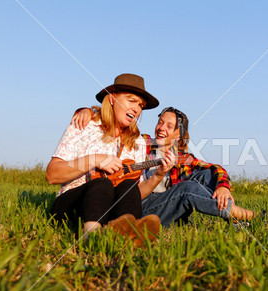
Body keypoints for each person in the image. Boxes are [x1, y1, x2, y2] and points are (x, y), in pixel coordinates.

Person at [72, 106, 255, 227]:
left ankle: (235, 215)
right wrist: (88, 110)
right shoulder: (141, 143)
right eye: (160, 122)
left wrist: (222, 186)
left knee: (206, 175)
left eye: (169, 126)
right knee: (187, 189)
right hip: (135, 205)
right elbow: (115, 121)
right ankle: (250, 216)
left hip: (163, 206)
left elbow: (215, 169)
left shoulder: (181, 159)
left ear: (178, 136)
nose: (161, 128)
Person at [46, 73, 174, 245]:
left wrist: (158, 176)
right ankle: (92, 240)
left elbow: (137, 193)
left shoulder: (138, 142)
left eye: (141, 105)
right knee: (103, 184)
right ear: (112, 98)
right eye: (131, 100)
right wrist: (93, 160)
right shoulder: (85, 124)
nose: (136, 109)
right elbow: (52, 175)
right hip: (71, 206)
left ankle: (129, 237)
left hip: (109, 211)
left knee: (129, 186)